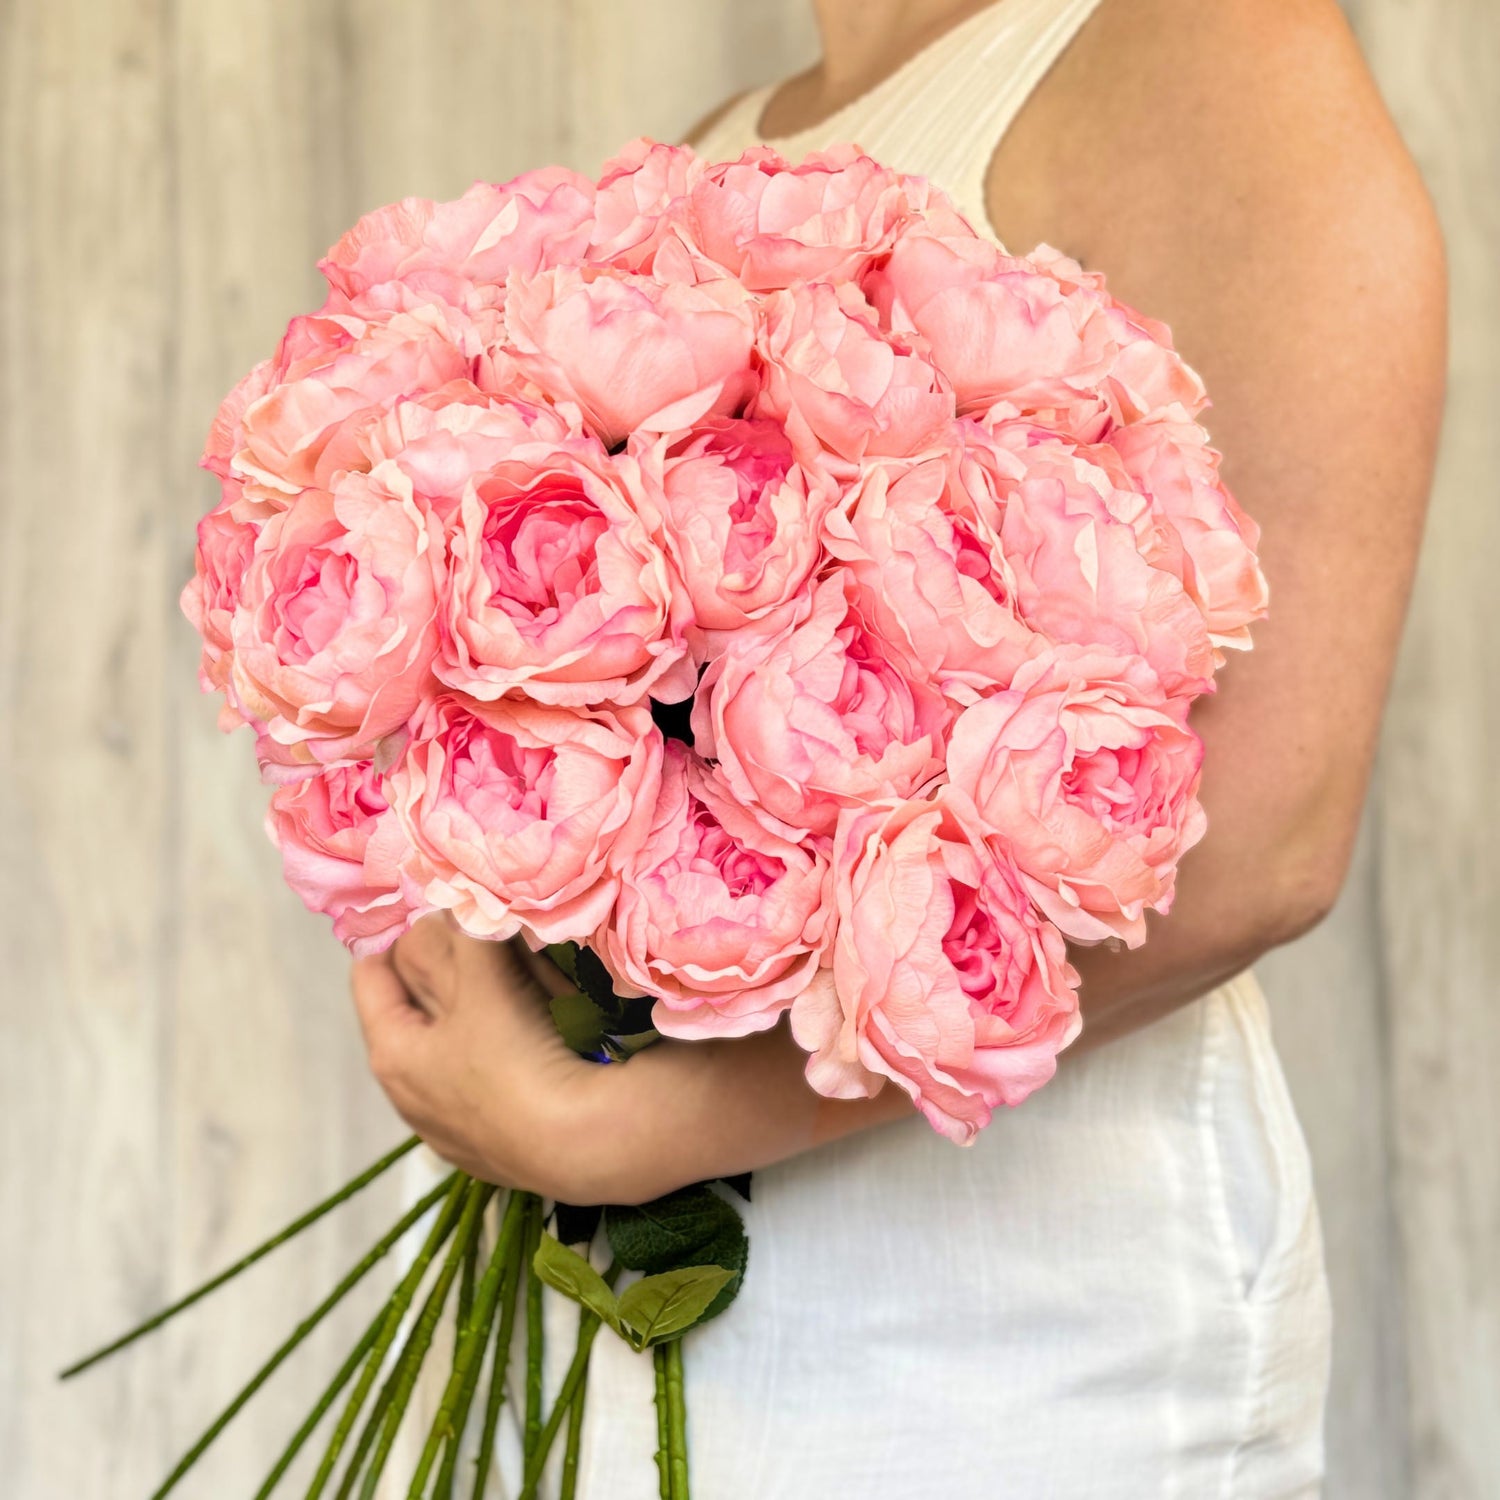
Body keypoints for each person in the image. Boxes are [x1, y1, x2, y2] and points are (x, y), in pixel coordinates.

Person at [354, 0, 1446, 1493]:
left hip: (1011, 1323)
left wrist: (612, 1132)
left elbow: (1271, 836)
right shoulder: (736, 140)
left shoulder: (1202, 38)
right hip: (674, 1298)